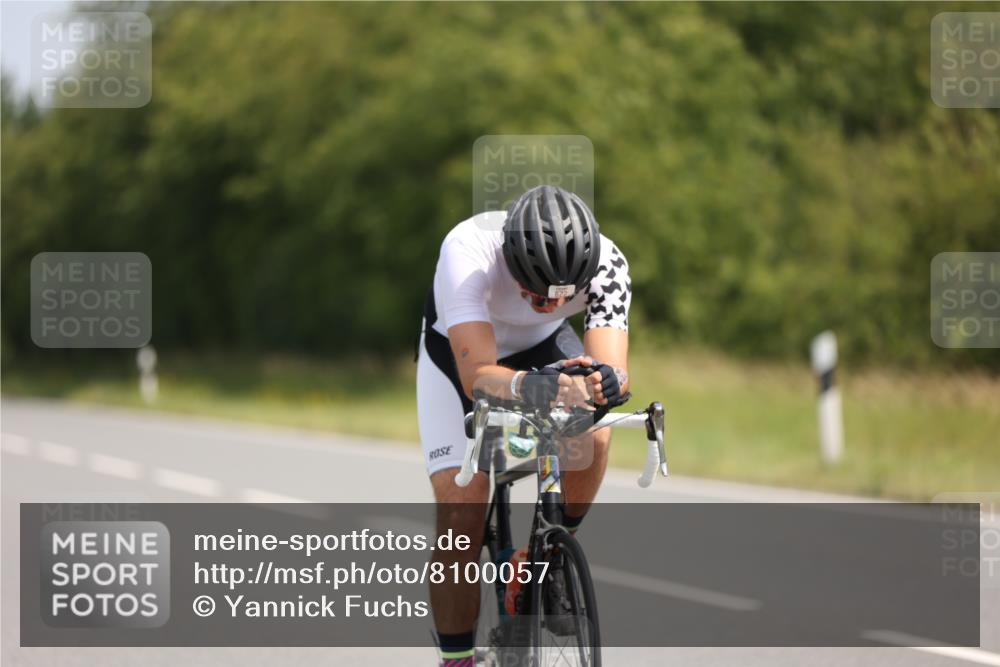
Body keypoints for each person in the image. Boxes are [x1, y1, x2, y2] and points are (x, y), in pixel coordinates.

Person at [415, 185, 631, 666]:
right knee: (462, 510)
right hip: (459, 360)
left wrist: (604, 386)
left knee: (594, 432)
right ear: (511, 263)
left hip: (542, 350)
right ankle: (458, 659)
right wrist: (540, 389)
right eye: (534, 292)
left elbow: (610, 369)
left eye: (561, 295)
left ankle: (547, 555)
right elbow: (478, 379)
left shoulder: (608, 264)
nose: (550, 303)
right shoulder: (468, 252)